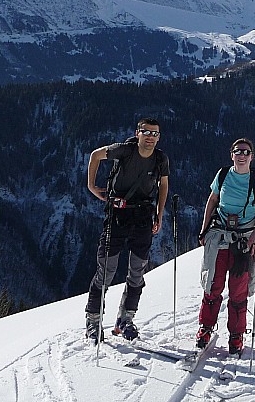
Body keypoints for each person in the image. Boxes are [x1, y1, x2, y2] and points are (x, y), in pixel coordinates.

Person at [84, 118, 169, 343]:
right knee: (106, 271)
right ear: (137, 133)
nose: (150, 137)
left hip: (142, 216)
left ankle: (125, 319)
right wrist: (91, 186)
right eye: (146, 132)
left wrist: (159, 215)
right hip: (117, 216)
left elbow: (164, 186)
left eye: (155, 133)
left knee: (137, 272)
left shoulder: (160, 159)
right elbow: (95, 155)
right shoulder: (124, 150)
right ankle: (93, 322)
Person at [196, 138, 255, 356]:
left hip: (244, 240)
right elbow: (212, 202)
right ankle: (206, 327)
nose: (242, 155)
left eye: (246, 152)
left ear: (251, 156)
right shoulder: (222, 176)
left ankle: (236, 334)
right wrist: (204, 230)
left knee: (239, 290)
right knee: (213, 284)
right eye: (238, 151)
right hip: (220, 236)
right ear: (232, 155)